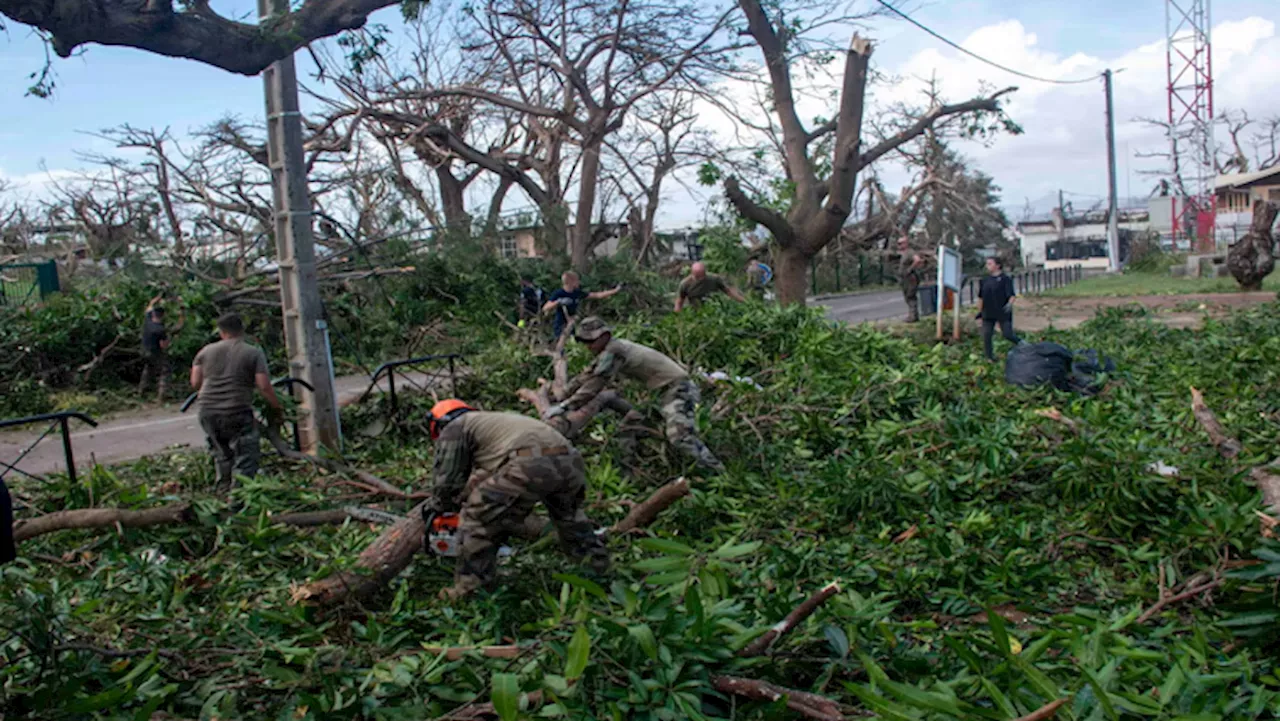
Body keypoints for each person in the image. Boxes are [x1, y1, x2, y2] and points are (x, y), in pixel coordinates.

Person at [425, 399, 609, 600]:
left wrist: (438, 506)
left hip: (530, 462)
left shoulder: (455, 428)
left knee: (477, 518)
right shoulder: (492, 422)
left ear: (439, 423)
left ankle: (470, 590)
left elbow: (447, 481)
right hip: (570, 459)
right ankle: (598, 571)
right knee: (570, 519)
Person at [547, 317, 725, 474]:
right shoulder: (608, 351)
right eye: (584, 342)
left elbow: (595, 385)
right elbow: (586, 375)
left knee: (680, 437)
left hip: (678, 390)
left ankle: (718, 473)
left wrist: (566, 406)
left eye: (590, 341)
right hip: (660, 394)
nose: (588, 346)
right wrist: (562, 394)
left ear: (605, 336)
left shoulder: (614, 350)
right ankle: (629, 473)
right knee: (629, 427)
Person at [190, 313, 283, 490]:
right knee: (245, 456)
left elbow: (195, 383)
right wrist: (276, 407)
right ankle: (239, 496)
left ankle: (223, 490)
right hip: (236, 410)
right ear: (242, 330)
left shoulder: (204, 352)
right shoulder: (253, 352)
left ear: (221, 332)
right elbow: (263, 385)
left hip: (207, 410)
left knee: (222, 454)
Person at [542, 271, 621, 342]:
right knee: (561, 342)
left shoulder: (577, 293)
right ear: (571, 282)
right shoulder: (559, 293)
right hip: (560, 324)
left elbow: (596, 295)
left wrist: (615, 290)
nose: (579, 283)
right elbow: (545, 307)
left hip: (572, 322)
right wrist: (558, 302)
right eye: (577, 281)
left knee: (572, 343)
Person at [139, 295, 184, 402]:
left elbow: (150, 305)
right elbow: (163, 345)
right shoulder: (160, 330)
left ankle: (141, 392)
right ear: (163, 316)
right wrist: (182, 312)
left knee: (148, 369)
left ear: (154, 314)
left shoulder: (148, 320)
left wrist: (158, 296)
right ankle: (161, 396)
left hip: (143, 350)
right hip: (154, 352)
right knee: (165, 370)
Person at [976, 257, 1021, 361]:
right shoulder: (984, 280)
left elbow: (1012, 295)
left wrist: (1009, 304)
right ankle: (989, 357)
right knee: (987, 335)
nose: (988, 266)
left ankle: (1023, 345)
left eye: (990, 264)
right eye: (987, 264)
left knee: (1007, 334)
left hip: (1002, 311)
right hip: (988, 312)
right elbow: (981, 297)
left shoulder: (1005, 279)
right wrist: (979, 312)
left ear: (998, 265)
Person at [674, 262, 745, 312]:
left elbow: (728, 291)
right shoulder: (685, 284)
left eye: (702, 276)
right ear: (692, 273)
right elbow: (680, 300)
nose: (701, 279)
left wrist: (744, 301)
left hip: (714, 309)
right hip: (696, 311)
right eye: (698, 277)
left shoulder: (714, 279)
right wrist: (677, 315)